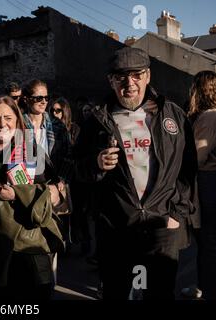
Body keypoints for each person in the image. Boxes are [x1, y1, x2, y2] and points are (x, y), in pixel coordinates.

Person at [74, 47, 198, 299]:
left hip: (161, 227)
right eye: (121, 77)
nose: (129, 84)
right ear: (111, 81)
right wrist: (96, 163)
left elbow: (188, 168)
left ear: (148, 76)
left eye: (136, 75)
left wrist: (176, 213)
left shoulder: (172, 115)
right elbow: (75, 169)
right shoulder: (97, 120)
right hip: (115, 228)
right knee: (116, 293)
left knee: (160, 294)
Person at [0, 96, 66, 300]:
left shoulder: (31, 150)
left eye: (8, 118)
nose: (2, 124)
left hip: (30, 244)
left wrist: (16, 194)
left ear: (17, 120)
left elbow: (56, 193)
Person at [187, 70, 216, 300]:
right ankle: (201, 285)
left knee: (208, 243)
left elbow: (197, 158)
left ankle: (207, 289)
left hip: (208, 185)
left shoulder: (208, 117)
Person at [21, 79, 71, 182]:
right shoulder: (19, 125)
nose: (44, 102)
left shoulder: (57, 125)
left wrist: (62, 179)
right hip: (28, 185)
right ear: (26, 99)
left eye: (46, 98)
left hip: (55, 184)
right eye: (39, 98)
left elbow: (68, 155)